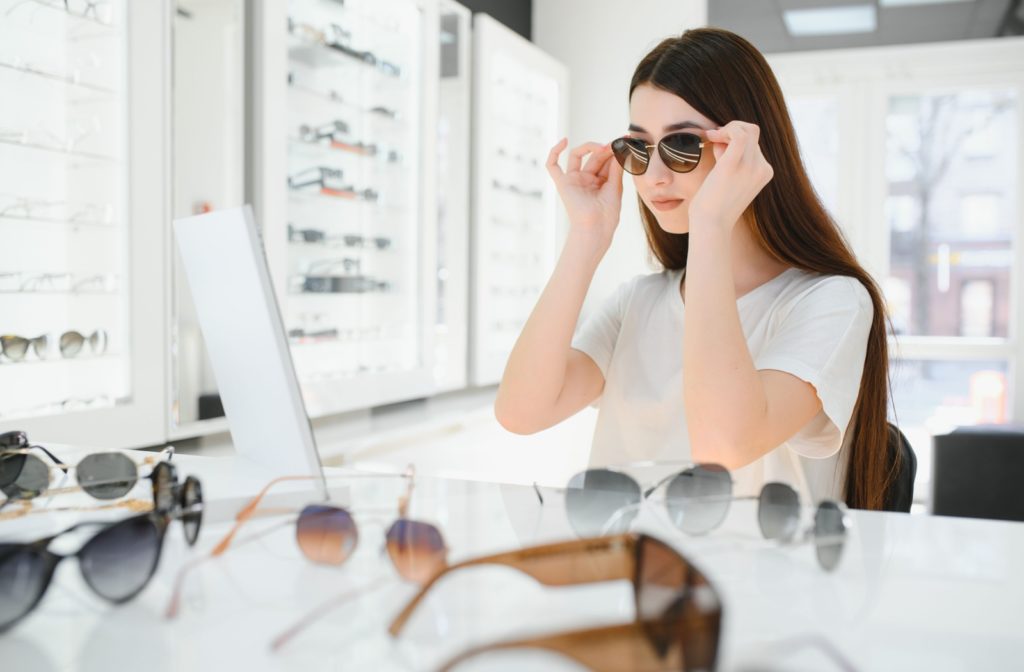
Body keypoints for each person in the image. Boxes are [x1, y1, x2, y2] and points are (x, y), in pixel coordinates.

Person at [494, 27, 895, 510]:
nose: (655, 176)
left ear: (744, 146)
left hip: (762, 581)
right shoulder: (637, 302)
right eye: (637, 149)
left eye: (682, 145)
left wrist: (711, 223)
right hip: (633, 571)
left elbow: (722, 447)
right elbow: (520, 412)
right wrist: (586, 235)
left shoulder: (831, 301)